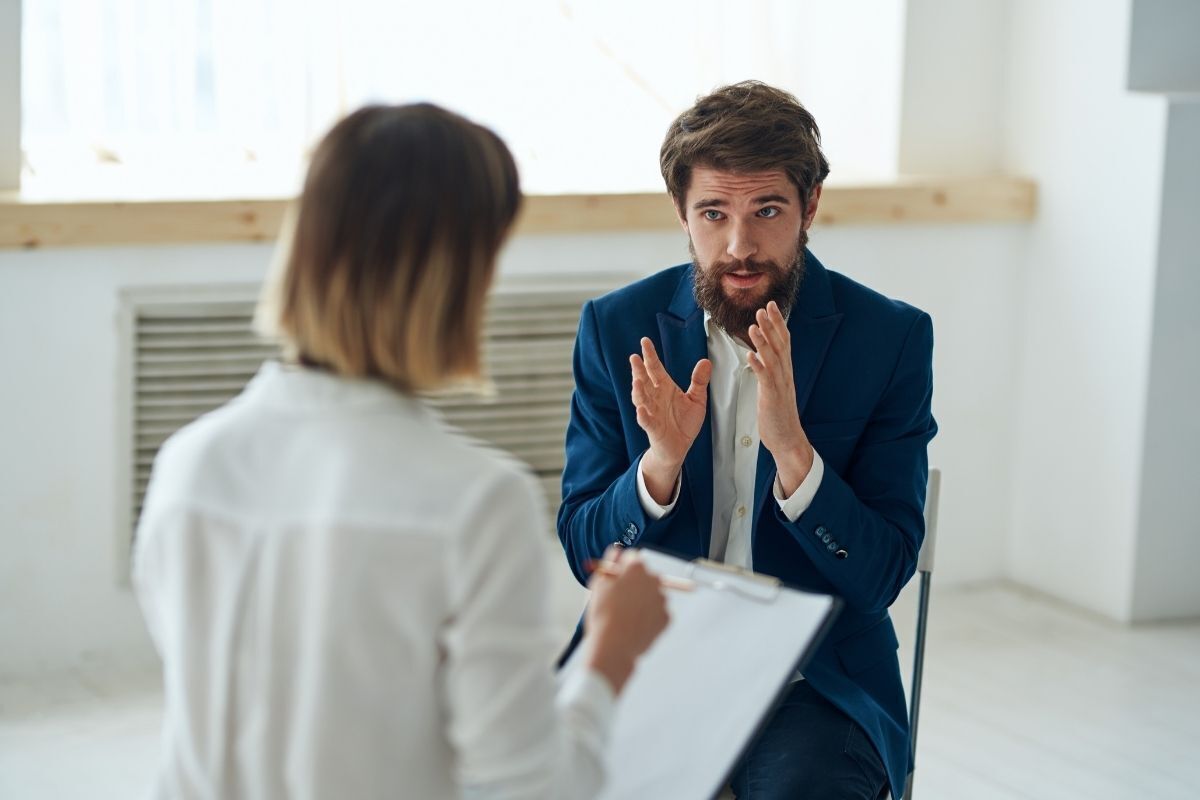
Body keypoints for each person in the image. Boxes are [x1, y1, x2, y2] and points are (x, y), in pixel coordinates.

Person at [133, 103, 669, 800]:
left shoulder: (188, 464)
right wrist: (608, 657)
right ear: (459, 275)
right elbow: (533, 788)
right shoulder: (477, 501)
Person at [557, 81, 937, 800]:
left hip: (815, 678)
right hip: (650, 664)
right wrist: (659, 466)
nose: (739, 245)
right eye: (713, 213)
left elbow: (882, 573)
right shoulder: (615, 327)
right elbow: (584, 549)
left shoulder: (889, 338)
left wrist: (795, 454)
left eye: (767, 211)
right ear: (681, 213)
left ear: (810, 207)